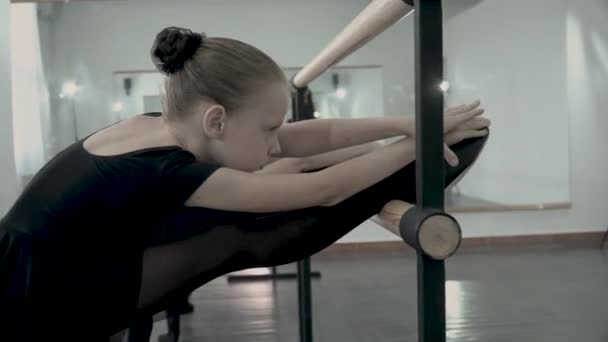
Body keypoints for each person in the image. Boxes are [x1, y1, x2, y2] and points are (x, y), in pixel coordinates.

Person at [0, 26, 490, 341]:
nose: (276, 141)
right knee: (243, 236)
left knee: (268, 189)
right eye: (267, 129)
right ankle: (404, 171)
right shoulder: (166, 168)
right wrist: (420, 145)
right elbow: (326, 192)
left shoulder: (164, 124)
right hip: (41, 292)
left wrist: (407, 124)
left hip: (55, 260)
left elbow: (309, 136)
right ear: (216, 120)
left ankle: (393, 164)